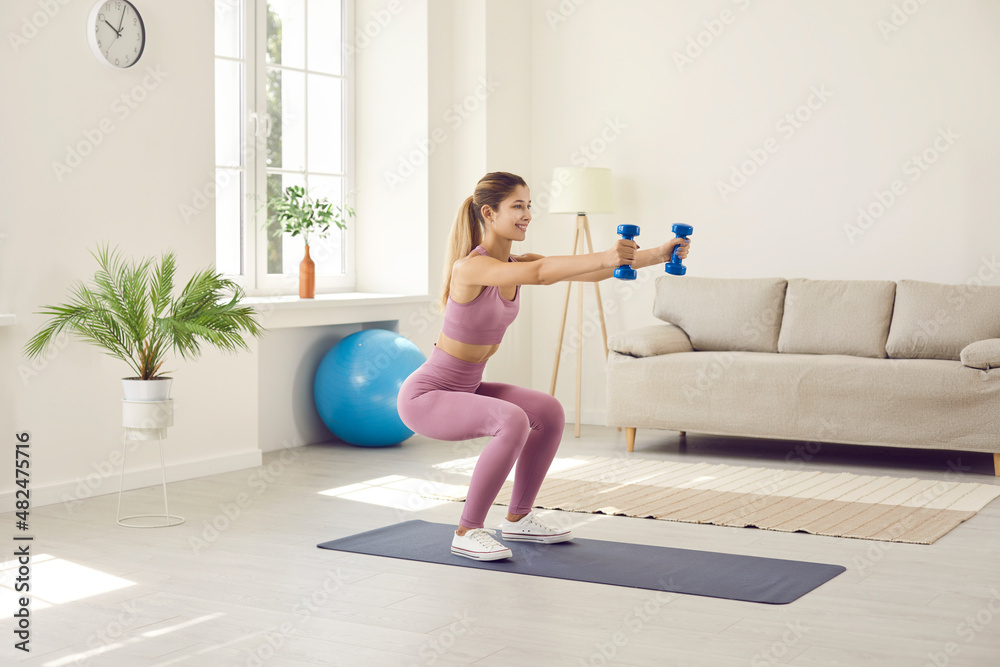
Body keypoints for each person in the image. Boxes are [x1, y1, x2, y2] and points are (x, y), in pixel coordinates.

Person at [397, 172, 691, 561]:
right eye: (517, 206)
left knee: (548, 411)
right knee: (512, 420)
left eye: (529, 205)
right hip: (427, 396)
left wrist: (661, 253)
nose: (527, 214)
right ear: (489, 213)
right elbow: (541, 273)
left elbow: (589, 272)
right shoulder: (470, 268)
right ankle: (467, 530)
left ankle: (518, 518)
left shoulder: (516, 263)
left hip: (467, 387)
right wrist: (607, 253)